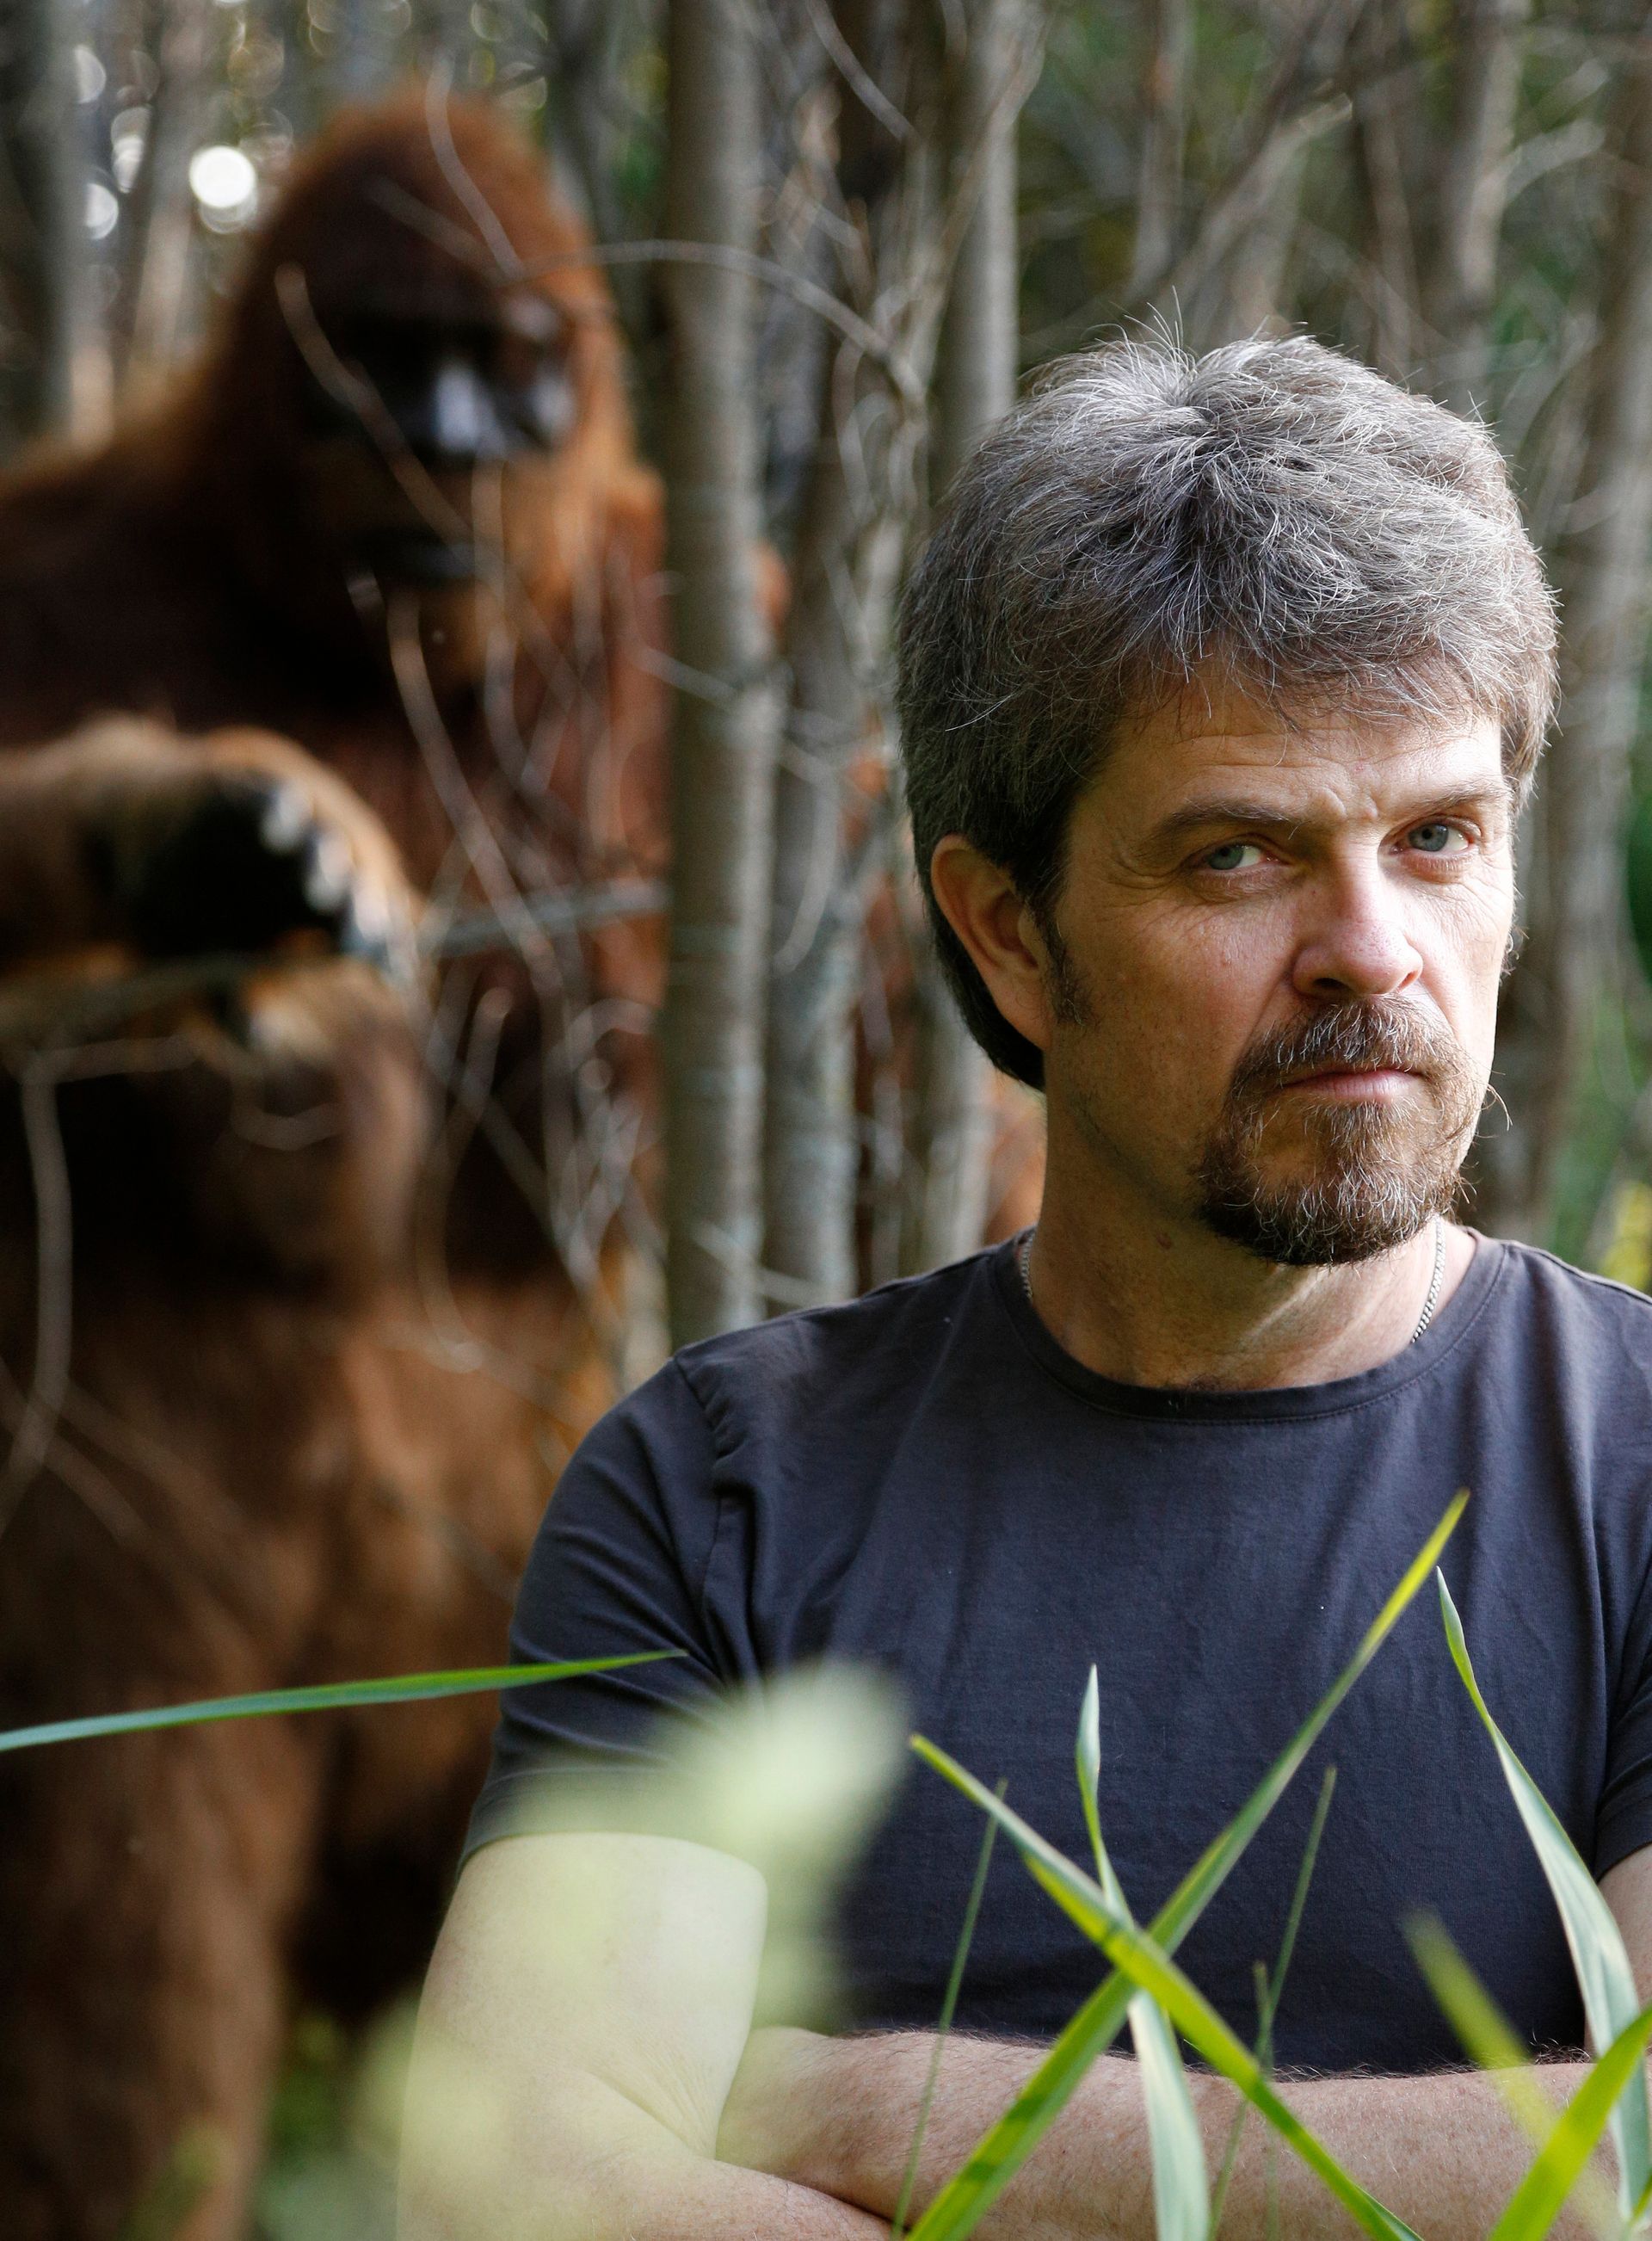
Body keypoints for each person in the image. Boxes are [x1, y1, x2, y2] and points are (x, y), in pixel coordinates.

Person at [398, 335, 1652, 2240]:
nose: (1368, 950)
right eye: (1238, 853)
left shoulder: (1635, 1463)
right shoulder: (730, 1496)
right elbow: (518, 2188)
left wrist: (887, 2106)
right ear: (1008, 929)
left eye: (1436, 838)